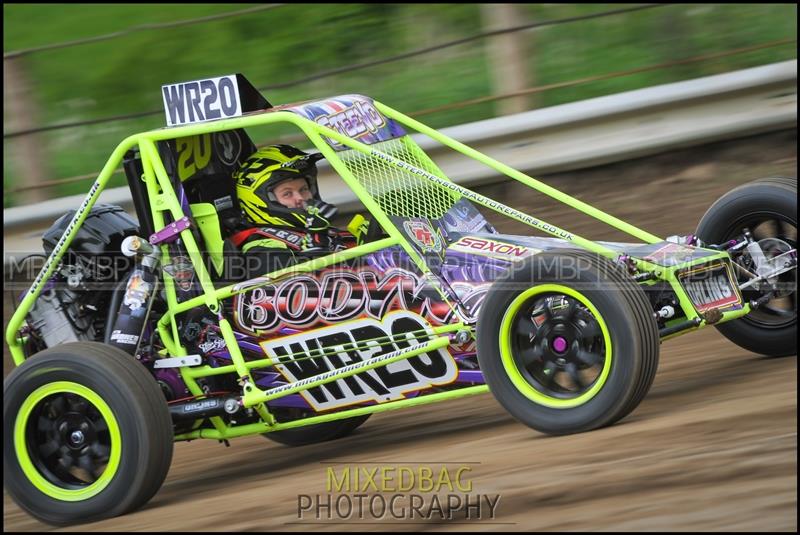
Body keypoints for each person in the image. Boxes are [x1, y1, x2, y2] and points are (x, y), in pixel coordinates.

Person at [229, 144, 343, 279]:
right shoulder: (260, 250)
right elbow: (292, 293)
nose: (300, 199)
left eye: (303, 189)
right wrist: (316, 250)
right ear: (260, 201)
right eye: (287, 194)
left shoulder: (319, 230)